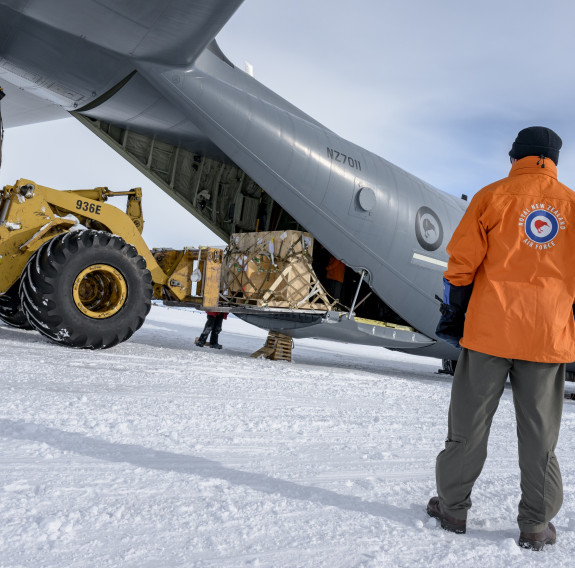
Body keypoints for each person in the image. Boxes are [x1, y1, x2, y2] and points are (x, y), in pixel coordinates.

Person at [429, 126, 575, 551]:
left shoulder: (491, 196)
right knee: (539, 434)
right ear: (554, 161)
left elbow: (460, 266)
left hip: (489, 332)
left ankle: (453, 509)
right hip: (547, 338)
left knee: (469, 424)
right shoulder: (573, 205)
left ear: (516, 156)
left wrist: (453, 315)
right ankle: (535, 524)